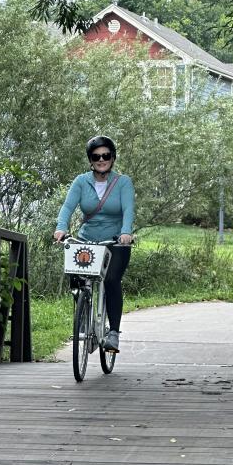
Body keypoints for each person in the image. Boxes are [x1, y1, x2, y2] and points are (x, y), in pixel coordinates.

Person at [53, 135, 135, 352]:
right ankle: (83, 318)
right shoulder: (81, 181)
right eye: (96, 156)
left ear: (113, 157)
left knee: (111, 280)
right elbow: (68, 207)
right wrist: (61, 227)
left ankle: (114, 333)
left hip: (115, 241)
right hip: (87, 238)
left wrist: (126, 233)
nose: (101, 160)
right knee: (77, 277)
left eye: (106, 155)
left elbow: (128, 210)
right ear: (90, 159)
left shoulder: (123, 182)